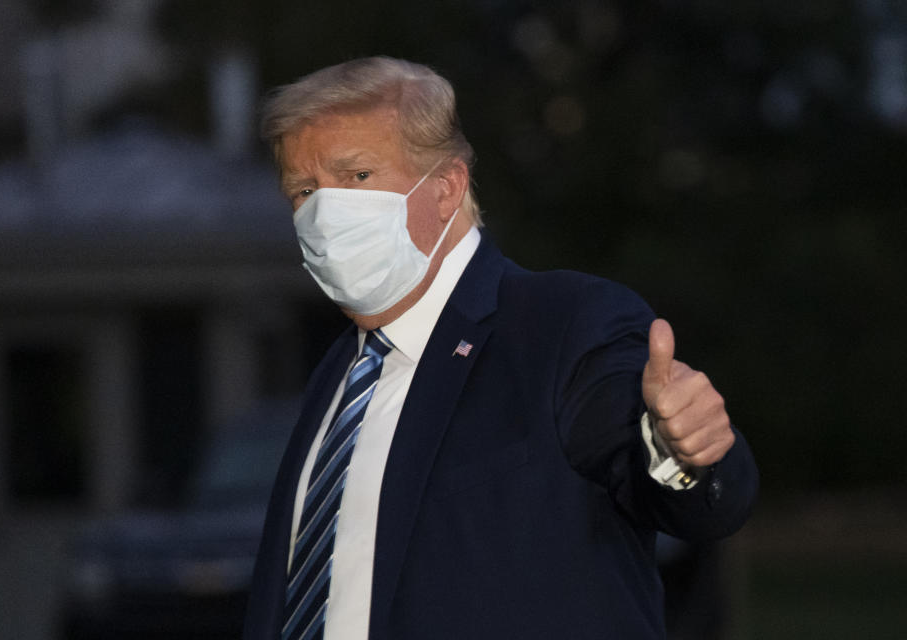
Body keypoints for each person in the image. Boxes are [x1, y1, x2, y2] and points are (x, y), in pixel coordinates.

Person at [244, 56, 758, 640]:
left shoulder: (562, 323)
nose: (323, 213)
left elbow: (679, 491)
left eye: (357, 176)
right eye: (303, 191)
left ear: (445, 188)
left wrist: (683, 452)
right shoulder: (340, 372)